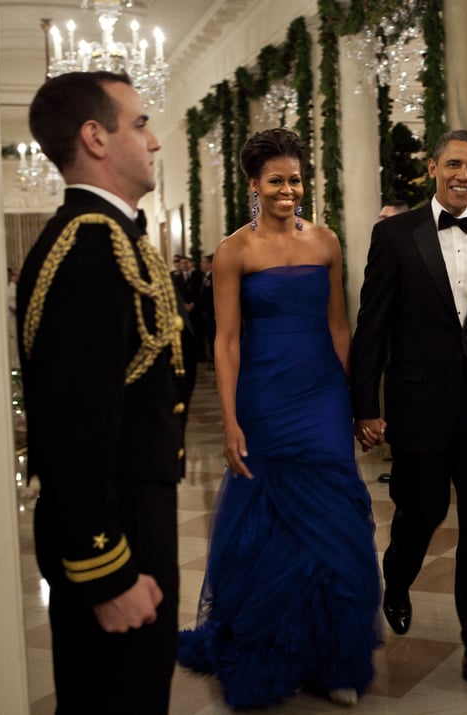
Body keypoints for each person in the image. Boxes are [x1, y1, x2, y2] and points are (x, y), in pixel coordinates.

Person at [176, 128, 381, 709]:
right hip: (264, 398)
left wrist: (353, 401)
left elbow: (340, 325)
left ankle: (334, 658)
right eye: (276, 181)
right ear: (254, 185)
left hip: (320, 394)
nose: (288, 189)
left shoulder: (326, 242)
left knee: (335, 526)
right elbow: (226, 341)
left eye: (295, 179)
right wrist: (231, 419)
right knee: (271, 529)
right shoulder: (233, 251)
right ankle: (274, 656)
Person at [15, 70, 184, 713]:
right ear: (96, 136)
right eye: (140, 124)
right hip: (115, 536)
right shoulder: (89, 248)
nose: (154, 141)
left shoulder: (109, 237)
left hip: (136, 515)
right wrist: (106, 570)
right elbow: (72, 428)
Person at [350, 129, 467, 703]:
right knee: (419, 515)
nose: (463, 175)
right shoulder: (395, 234)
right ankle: (396, 580)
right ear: (433, 168)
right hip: (418, 404)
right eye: (453, 164)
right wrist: (365, 407)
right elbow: (371, 323)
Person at [375, 198, 411, 484]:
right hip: (389, 346)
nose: (380, 224)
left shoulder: (414, 253)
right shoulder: (382, 251)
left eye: (386, 219)